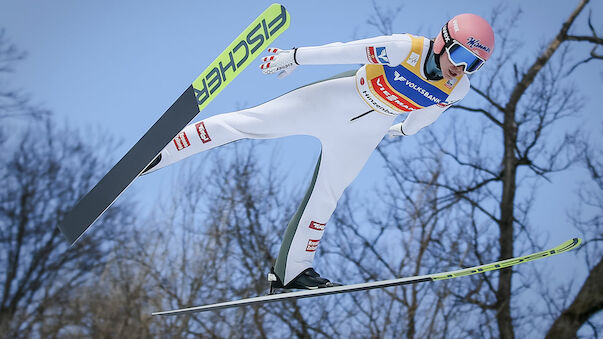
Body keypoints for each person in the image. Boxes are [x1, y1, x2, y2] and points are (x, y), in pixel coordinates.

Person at [142, 13, 495, 292]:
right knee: (247, 124)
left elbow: (428, 113)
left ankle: (292, 273)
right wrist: (294, 56)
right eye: (461, 55)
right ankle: (162, 152)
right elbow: (347, 50)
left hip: (366, 130)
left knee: (328, 194)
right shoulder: (407, 48)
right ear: (442, 42)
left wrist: (403, 129)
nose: (461, 68)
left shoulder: (458, 88)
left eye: (473, 64)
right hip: (334, 99)